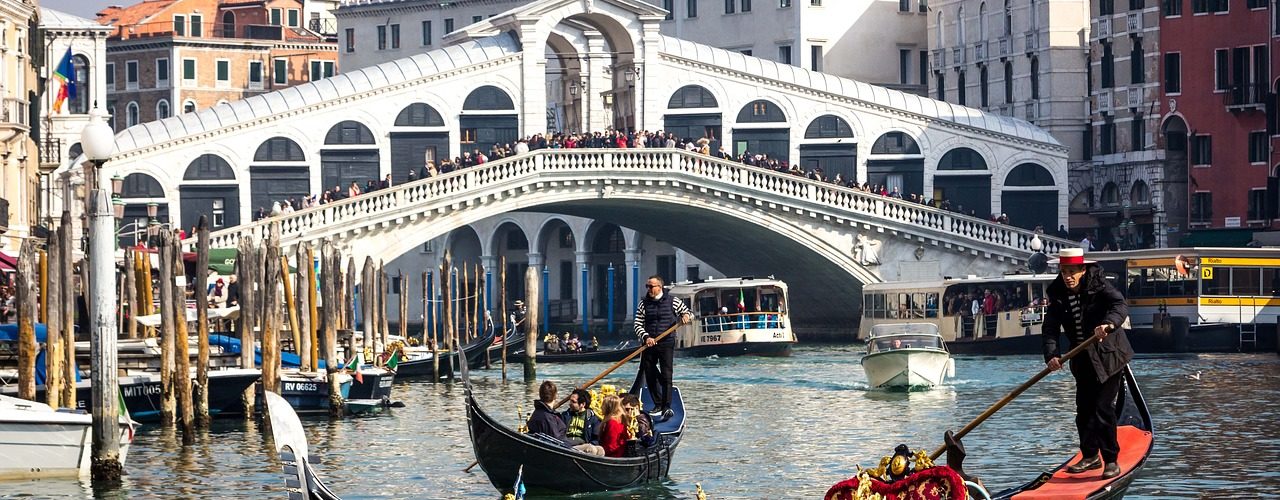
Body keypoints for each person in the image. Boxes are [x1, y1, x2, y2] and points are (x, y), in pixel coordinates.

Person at [1042, 247, 1133, 480]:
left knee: (1103, 408)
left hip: (1109, 355)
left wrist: (1108, 324)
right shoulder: (1057, 293)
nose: (1068, 276)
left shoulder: (1099, 284)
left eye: (1072, 271)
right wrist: (1052, 355)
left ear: (1082, 270)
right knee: (1083, 411)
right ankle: (1091, 455)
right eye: (1064, 272)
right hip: (1081, 358)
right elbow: (1050, 327)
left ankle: (1111, 460)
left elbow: (1120, 306)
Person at [633, 275, 692, 420]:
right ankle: (658, 403)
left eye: (651, 286)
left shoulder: (673, 301)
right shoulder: (643, 304)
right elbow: (637, 324)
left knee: (667, 374)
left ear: (660, 287)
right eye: (647, 286)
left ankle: (666, 407)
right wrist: (646, 337)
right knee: (649, 370)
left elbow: (690, 314)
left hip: (666, 342)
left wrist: (685, 316)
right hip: (649, 342)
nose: (649, 289)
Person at [559, 389, 604, 456]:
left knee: (601, 450)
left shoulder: (592, 418)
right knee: (591, 449)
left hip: (584, 446)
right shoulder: (565, 416)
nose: (569, 404)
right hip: (568, 446)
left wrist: (591, 444)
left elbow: (596, 438)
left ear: (582, 404)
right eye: (570, 401)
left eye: (573, 402)